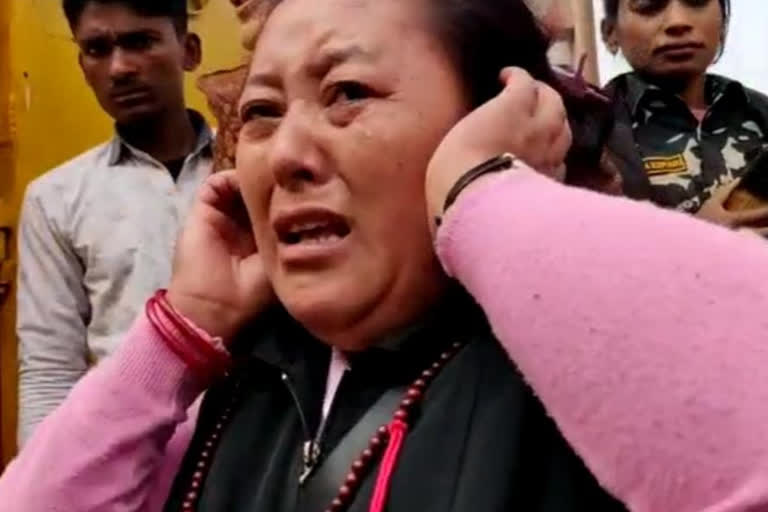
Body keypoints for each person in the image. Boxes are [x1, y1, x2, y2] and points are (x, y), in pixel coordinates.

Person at [3, 1, 768, 511]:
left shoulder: (578, 382)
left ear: (493, 118)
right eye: (262, 113)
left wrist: (482, 197)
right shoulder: (241, 383)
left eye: (348, 92)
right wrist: (179, 335)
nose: (287, 154)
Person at [15, 0, 213, 444]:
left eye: (140, 42)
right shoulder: (56, 199)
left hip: (251, 450)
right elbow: (50, 367)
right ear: (82, 65)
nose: (119, 68)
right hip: (127, 453)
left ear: (190, 50)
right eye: (97, 49)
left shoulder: (252, 172)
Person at [601, 0, 768, 230]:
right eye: (648, 6)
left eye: (696, 1)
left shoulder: (761, 113)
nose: (678, 22)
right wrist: (697, 237)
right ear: (610, 33)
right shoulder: (585, 132)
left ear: (724, 21)